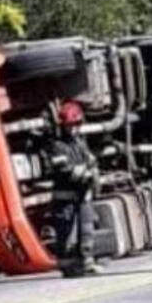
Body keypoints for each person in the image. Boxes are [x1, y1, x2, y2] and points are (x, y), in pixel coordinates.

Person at [49, 100, 100, 277]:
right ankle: (68, 267)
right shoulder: (57, 146)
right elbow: (65, 170)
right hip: (66, 199)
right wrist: (85, 173)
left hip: (83, 195)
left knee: (87, 230)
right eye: (68, 125)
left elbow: (91, 162)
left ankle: (87, 263)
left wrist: (91, 173)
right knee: (66, 234)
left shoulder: (80, 143)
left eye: (75, 124)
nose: (72, 128)